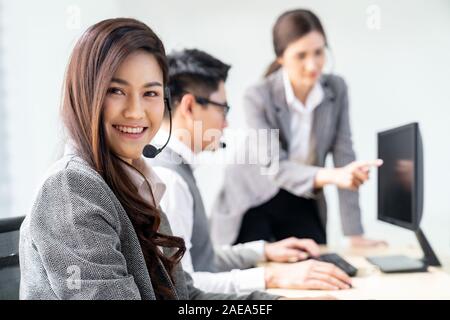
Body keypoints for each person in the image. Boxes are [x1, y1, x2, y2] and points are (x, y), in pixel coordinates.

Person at [18, 18, 279, 300]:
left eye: (150, 93)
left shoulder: (135, 183)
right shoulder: (71, 189)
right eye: (116, 90)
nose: (136, 111)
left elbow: (185, 297)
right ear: (84, 94)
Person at [149, 49, 352, 294]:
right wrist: (272, 276)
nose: (226, 123)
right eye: (222, 108)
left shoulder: (175, 168)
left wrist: (264, 250)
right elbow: (183, 286)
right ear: (190, 106)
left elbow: (202, 258)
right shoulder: (171, 181)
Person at [211, 9, 386, 247]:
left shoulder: (336, 89)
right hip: (253, 197)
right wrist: (334, 176)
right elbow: (274, 166)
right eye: (301, 55)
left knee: (317, 262)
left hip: (302, 194)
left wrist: (355, 235)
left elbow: (345, 158)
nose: (312, 65)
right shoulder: (258, 96)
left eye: (318, 52)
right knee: (257, 269)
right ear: (281, 57)